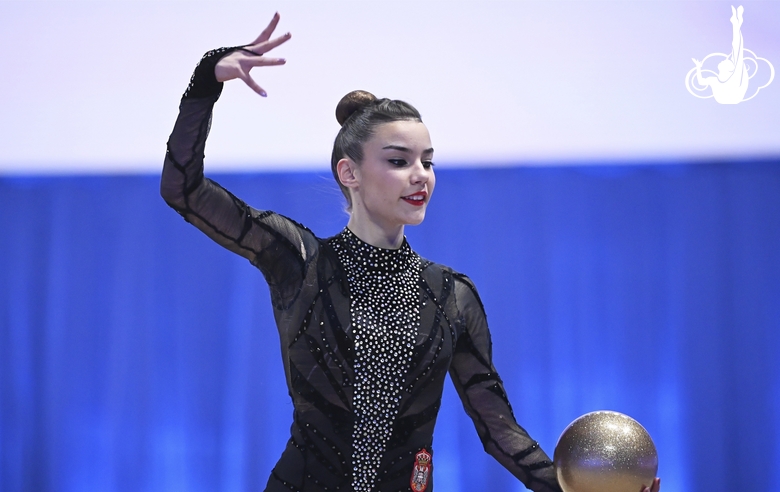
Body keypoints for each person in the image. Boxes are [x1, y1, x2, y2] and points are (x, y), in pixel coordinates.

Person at [161, 13, 661, 492]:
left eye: (428, 160)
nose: (420, 175)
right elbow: (183, 191)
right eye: (399, 161)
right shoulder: (300, 259)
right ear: (349, 173)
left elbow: (497, 429)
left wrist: (577, 489)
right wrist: (208, 78)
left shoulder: (451, 295)